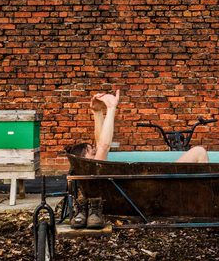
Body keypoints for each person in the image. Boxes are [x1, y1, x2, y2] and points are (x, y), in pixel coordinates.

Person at [65, 89, 209, 228]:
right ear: (85, 158)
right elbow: (103, 145)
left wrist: (97, 113)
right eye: (92, 152)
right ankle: (205, 204)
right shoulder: (94, 167)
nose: (96, 151)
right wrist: (111, 108)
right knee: (199, 152)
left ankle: (203, 201)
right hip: (151, 196)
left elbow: (100, 143)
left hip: (147, 192)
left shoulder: (90, 171)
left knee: (198, 152)